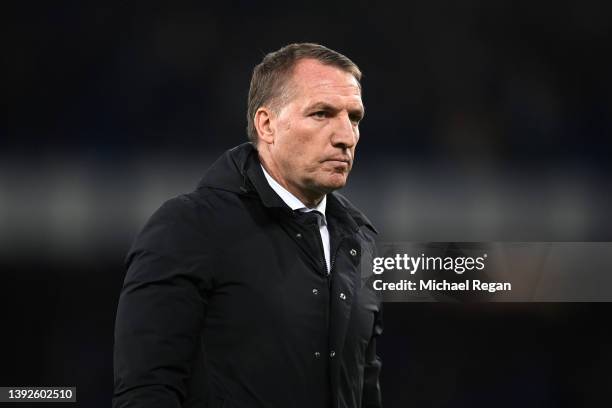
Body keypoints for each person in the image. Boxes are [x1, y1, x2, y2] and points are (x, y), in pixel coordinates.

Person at [113, 43, 382, 408]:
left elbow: (364, 388)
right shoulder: (189, 228)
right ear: (267, 124)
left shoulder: (360, 241)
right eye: (322, 114)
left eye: (354, 118)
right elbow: (146, 392)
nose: (346, 137)